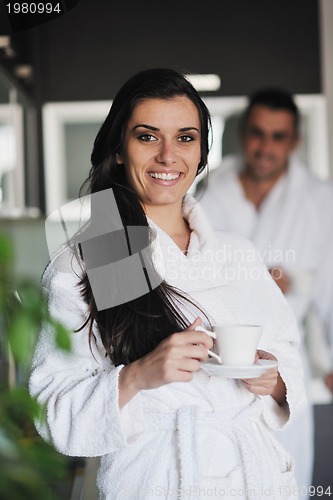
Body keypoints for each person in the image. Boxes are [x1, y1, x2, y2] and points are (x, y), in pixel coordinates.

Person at [29, 69, 306, 500]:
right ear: (119, 149)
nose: (167, 155)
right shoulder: (97, 255)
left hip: (258, 480)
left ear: (202, 152)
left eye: (185, 137)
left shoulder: (238, 253)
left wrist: (273, 380)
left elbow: (288, 355)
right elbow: (54, 412)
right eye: (147, 136)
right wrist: (138, 375)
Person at [197, 87, 333, 494]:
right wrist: (257, 275)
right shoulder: (207, 191)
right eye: (258, 133)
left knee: (283, 482)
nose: (266, 147)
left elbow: (329, 285)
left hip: (282, 368)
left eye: (278, 137)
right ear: (243, 134)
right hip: (213, 363)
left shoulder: (320, 200)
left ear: (295, 141)